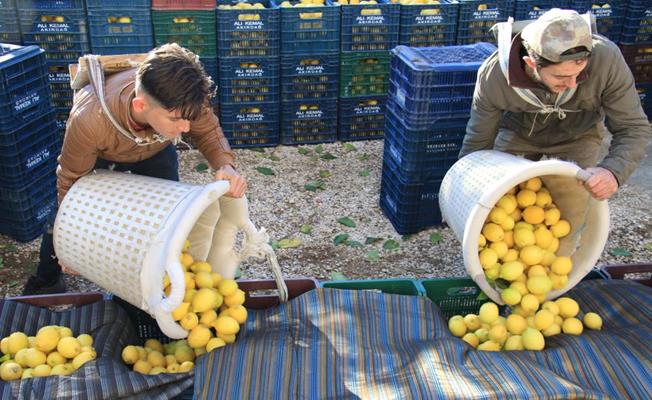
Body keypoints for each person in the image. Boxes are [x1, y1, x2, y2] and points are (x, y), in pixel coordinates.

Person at [22, 43, 247, 295]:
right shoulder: (89, 120)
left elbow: (207, 130)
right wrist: (70, 238)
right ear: (141, 106)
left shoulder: (186, 99)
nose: (185, 128)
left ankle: (158, 278)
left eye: (189, 119)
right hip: (102, 153)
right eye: (176, 120)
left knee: (167, 214)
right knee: (61, 218)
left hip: (154, 149)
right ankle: (46, 280)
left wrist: (225, 164)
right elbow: (70, 180)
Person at [459, 8, 651, 201]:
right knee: (501, 196)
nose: (572, 84)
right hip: (519, 131)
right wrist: (466, 186)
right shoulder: (495, 76)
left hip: (579, 134)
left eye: (579, 73)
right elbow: (479, 140)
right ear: (531, 63)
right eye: (561, 76)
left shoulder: (606, 61)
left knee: (573, 203)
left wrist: (612, 171)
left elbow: (633, 127)